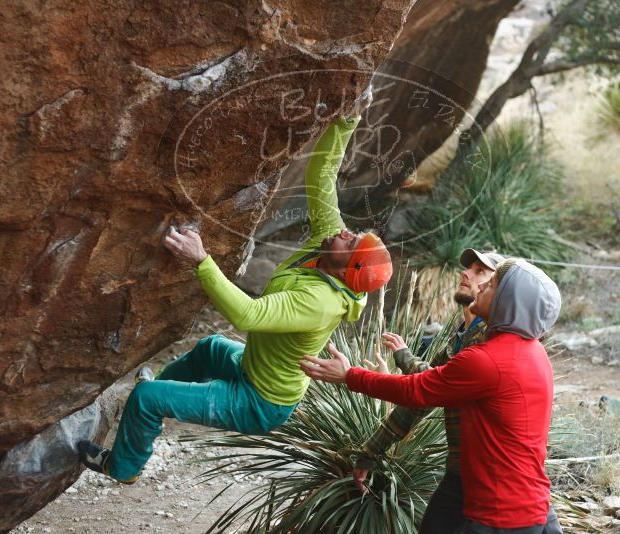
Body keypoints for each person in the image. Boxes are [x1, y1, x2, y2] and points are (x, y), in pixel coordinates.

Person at [78, 86, 393, 484]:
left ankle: (122, 466)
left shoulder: (320, 300)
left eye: (352, 241)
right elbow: (322, 176)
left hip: (258, 402)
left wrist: (201, 260)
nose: (345, 231)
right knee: (210, 348)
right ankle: (161, 398)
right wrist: (348, 121)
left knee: (145, 399)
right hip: (251, 368)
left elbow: (247, 314)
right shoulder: (327, 247)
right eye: (352, 233)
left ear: (347, 268)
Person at [301, 259, 562, 534]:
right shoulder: (534, 353)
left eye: (491, 283)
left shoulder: (486, 360)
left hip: (499, 515)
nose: (482, 284)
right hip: (526, 502)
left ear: (509, 301)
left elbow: (416, 390)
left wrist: (350, 375)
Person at [353, 249, 502, 533]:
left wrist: (401, 360)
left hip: (490, 475)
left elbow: (434, 384)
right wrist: (371, 452)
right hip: (461, 470)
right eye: (468, 268)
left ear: (497, 289)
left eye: (481, 272)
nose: (466, 274)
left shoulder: (490, 340)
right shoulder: (459, 336)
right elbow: (422, 396)